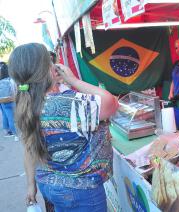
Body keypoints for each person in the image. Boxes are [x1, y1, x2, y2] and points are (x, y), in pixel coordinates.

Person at [8, 43, 119, 211]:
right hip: (81, 191)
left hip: (48, 184)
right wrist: (73, 80)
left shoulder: (27, 104)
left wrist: (31, 184)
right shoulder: (68, 104)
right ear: (47, 70)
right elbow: (111, 103)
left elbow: (29, 148)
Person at [0, 62, 17, 140]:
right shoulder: (11, 80)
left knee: (6, 116)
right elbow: (15, 90)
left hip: (3, 102)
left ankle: (7, 131)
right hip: (12, 100)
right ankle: (15, 134)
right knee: (12, 117)